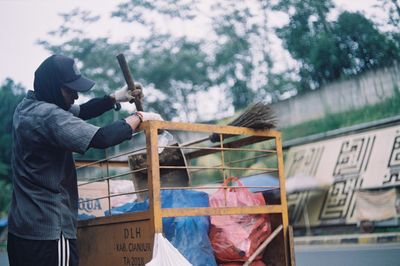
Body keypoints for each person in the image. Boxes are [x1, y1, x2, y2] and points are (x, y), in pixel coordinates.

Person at [7, 54, 163, 266]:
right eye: (70, 90)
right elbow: (102, 138)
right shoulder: (48, 116)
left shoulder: (27, 108)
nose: (75, 97)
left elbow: (81, 111)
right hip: (49, 232)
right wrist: (139, 118)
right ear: (54, 88)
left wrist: (114, 98)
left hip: (23, 229)